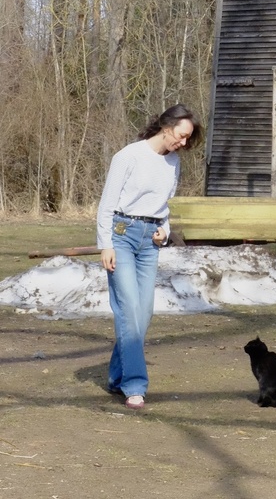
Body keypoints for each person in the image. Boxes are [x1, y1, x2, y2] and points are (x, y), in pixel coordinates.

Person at [96, 103, 201, 410]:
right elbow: (106, 204)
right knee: (128, 308)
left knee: (143, 314)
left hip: (150, 242)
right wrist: (106, 244)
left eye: (187, 139)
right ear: (166, 127)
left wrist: (165, 231)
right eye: (181, 136)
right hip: (122, 235)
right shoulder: (128, 156)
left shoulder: (173, 163)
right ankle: (134, 385)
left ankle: (117, 377)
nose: (183, 143)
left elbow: (164, 205)